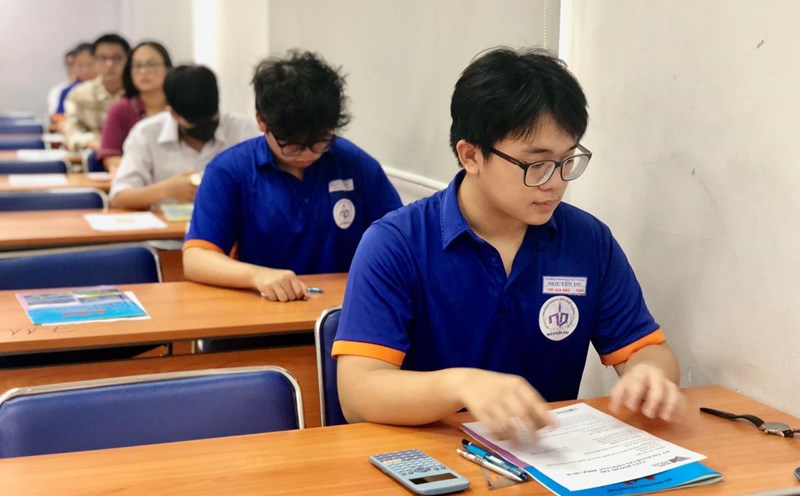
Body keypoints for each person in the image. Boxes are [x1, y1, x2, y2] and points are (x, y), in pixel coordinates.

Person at [333, 47, 685, 441]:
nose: (555, 182)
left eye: (567, 160)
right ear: (471, 156)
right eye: (536, 164)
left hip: (546, 461)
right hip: (431, 456)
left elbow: (646, 350)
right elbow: (358, 392)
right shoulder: (396, 243)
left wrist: (649, 375)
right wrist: (459, 386)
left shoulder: (588, 241)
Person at [183, 50, 402, 302]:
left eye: (319, 142)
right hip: (259, 312)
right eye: (293, 146)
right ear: (261, 122)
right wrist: (258, 276)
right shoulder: (230, 170)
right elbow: (196, 258)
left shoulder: (355, 164)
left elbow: (398, 239)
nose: (307, 154)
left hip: (340, 313)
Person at [109, 65, 259, 210]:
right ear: (173, 114)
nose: (204, 128)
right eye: (195, 124)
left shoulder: (242, 129)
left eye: (211, 120)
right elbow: (119, 197)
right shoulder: (146, 133)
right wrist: (167, 190)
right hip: (167, 233)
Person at [97, 41, 173, 174]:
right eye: (137, 66)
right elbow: (111, 158)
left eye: (151, 65)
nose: (143, 72)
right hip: (136, 185)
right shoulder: (120, 109)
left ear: (167, 68)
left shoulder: (179, 108)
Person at [62, 33, 130, 150]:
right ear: (94, 61)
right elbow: (71, 131)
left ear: (128, 60)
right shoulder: (79, 94)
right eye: (103, 58)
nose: (110, 64)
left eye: (117, 58)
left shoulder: (138, 94)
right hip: (92, 158)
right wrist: (95, 142)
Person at [52, 43, 96, 127]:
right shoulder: (67, 92)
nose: (85, 71)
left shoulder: (106, 89)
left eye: (89, 65)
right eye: (80, 66)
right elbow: (58, 119)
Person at [46, 48, 76, 118]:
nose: (71, 69)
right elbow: (54, 117)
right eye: (69, 65)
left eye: (74, 64)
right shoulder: (59, 91)